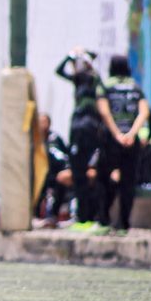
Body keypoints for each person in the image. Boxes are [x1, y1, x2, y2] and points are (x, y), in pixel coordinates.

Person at [94, 54, 150, 234]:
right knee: (128, 181)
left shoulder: (106, 86)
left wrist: (117, 134)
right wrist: (132, 133)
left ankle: (104, 219)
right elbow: (144, 112)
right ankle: (124, 223)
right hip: (130, 141)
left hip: (112, 140)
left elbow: (104, 112)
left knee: (104, 177)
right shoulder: (135, 86)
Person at [55, 47, 102, 230]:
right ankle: (82, 216)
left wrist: (87, 59)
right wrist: (69, 56)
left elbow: (96, 75)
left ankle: (90, 215)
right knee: (78, 173)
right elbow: (59, 71)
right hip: (77, 130)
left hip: (89, 130)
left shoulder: (93, 80)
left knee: (91, 173)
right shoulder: (78, 80)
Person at [34, 113, 73, 228]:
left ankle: (53, 216)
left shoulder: (55, 139)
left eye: (44, 122)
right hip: (40, 176)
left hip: (56, 175)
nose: (42, 125)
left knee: (59, 187)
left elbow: (65, 157)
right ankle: (35, 216)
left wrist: (67, 170)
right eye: (40, 122)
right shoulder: (34, 140)